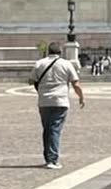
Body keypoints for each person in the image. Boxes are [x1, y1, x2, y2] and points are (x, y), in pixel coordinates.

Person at [30, 40, 85, 168]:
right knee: (55, 129)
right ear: (60, 52)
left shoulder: (40, 63)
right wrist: (81, 97)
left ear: (48, 51)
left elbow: (31, 80)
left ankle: (48, 157)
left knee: (47, 129)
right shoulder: (66, 64)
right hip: (61, 101)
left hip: (44, 101)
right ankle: (53, 160)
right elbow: (75, 84)